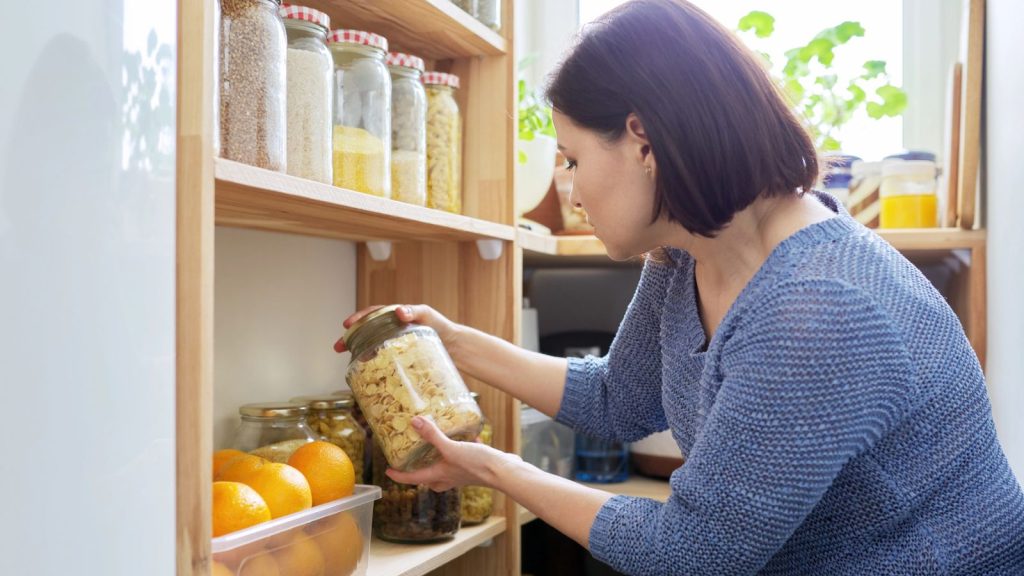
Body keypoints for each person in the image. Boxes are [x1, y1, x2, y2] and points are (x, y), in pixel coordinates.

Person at [335, 1, 1024, 573]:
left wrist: (496, 469)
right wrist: (452, 343)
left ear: (643, 141)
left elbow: (692, 554)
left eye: (572, 158)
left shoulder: (819, 306)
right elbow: (619, 398)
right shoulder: (685, 253)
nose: (570, 191)